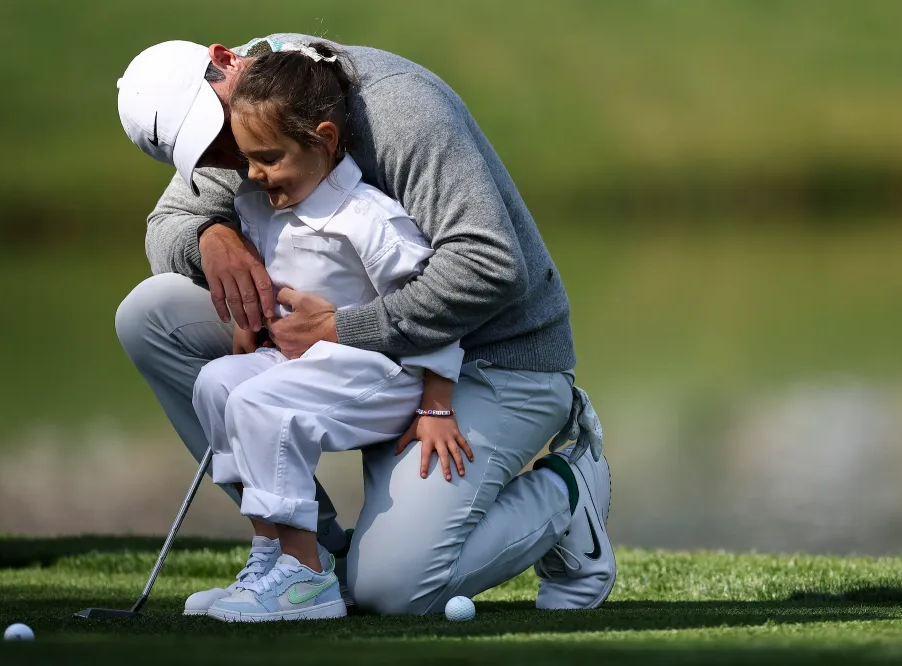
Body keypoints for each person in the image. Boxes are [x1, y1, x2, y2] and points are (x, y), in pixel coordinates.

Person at [115, 33, 615, 615]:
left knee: (391, 592)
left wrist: (343, 330)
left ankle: (567, 493)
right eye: (209, 155)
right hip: (359, 347)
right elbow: (169, 221)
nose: (235, 165)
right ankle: (304, 556)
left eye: (222, 134)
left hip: (491, 357)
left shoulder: (395, 108)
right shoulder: (248, 128)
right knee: (149, 317)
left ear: (227, 61)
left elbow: (492, 265)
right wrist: (212, 238)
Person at [192, 43, 471, 622]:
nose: (254, 174)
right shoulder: (264, 203)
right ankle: (272, 555)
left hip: (385, 374)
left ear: (324, 138)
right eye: (247, 159)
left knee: (265, 404)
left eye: (268, 158)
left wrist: (437, 406)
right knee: (217, 384)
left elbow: (436, 311)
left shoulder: (370, 218)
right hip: (310, 368)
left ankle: (307, 579)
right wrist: (252, 322)